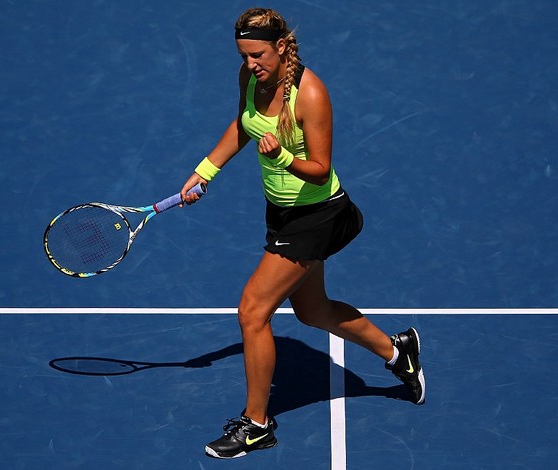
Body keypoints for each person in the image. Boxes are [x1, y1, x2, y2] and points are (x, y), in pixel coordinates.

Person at [180, 7, 425, 460]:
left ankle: (257, 426)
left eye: (258, 54)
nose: (251, 64)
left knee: (252, 311)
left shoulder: (310, 94)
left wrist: (281, 159)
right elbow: (243, 125)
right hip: (281, 213)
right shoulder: (250, 78)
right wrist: (205, 170)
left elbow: (319, 168)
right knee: (312, 311)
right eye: (243, 55)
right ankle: (398, 353)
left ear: (280, 46)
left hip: (317, 215)